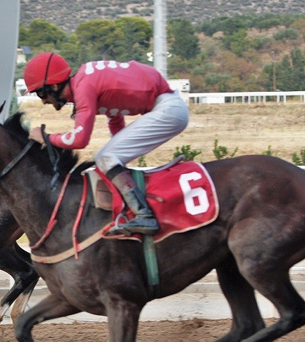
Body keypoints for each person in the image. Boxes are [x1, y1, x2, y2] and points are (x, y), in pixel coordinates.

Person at [25, 52, 189, 236]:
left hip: (168, 110)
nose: (43, 101)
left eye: (41, 93)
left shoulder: (84, 87)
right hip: (167, 106)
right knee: (109, 158)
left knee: (104, 157)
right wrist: (118, 161)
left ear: (54, 85)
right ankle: (134, 208)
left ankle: (145, 215)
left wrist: (46, 137)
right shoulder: (86, 80)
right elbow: (115, 118)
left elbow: (80, 140)